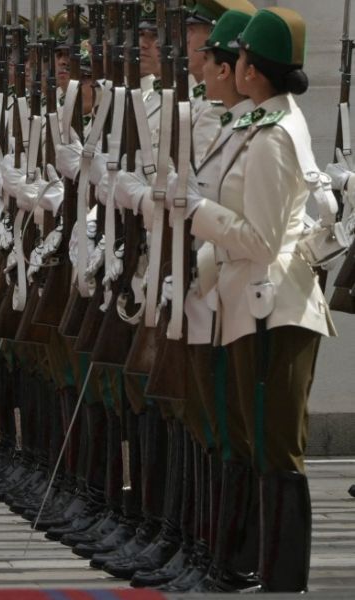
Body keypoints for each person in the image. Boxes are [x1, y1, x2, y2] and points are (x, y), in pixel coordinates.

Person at [128, 8, 332, 593]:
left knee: (273, 447)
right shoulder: (255, 127)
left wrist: (197, 211)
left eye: (238, 56)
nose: (227, 63)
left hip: (275, 307)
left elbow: (262, 240)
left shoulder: (271, 139)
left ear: (252, 70)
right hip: (243, 302)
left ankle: (278, 573)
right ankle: (237, 561)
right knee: (245, 438)